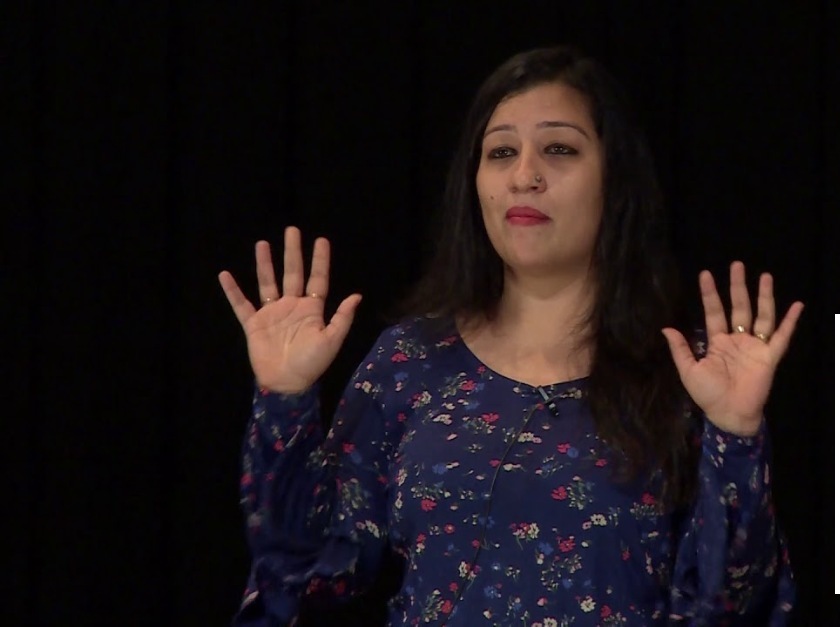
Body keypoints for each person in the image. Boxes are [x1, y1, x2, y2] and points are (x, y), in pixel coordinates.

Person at [218, 45, 803, 626]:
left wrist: (736, 435)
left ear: (616, 179)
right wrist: (285, 400)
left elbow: (732, 604)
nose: (524, 176)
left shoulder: (688, 371)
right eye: (501, 152)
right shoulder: (411, 359)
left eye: (559, 149)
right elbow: (307, 569)